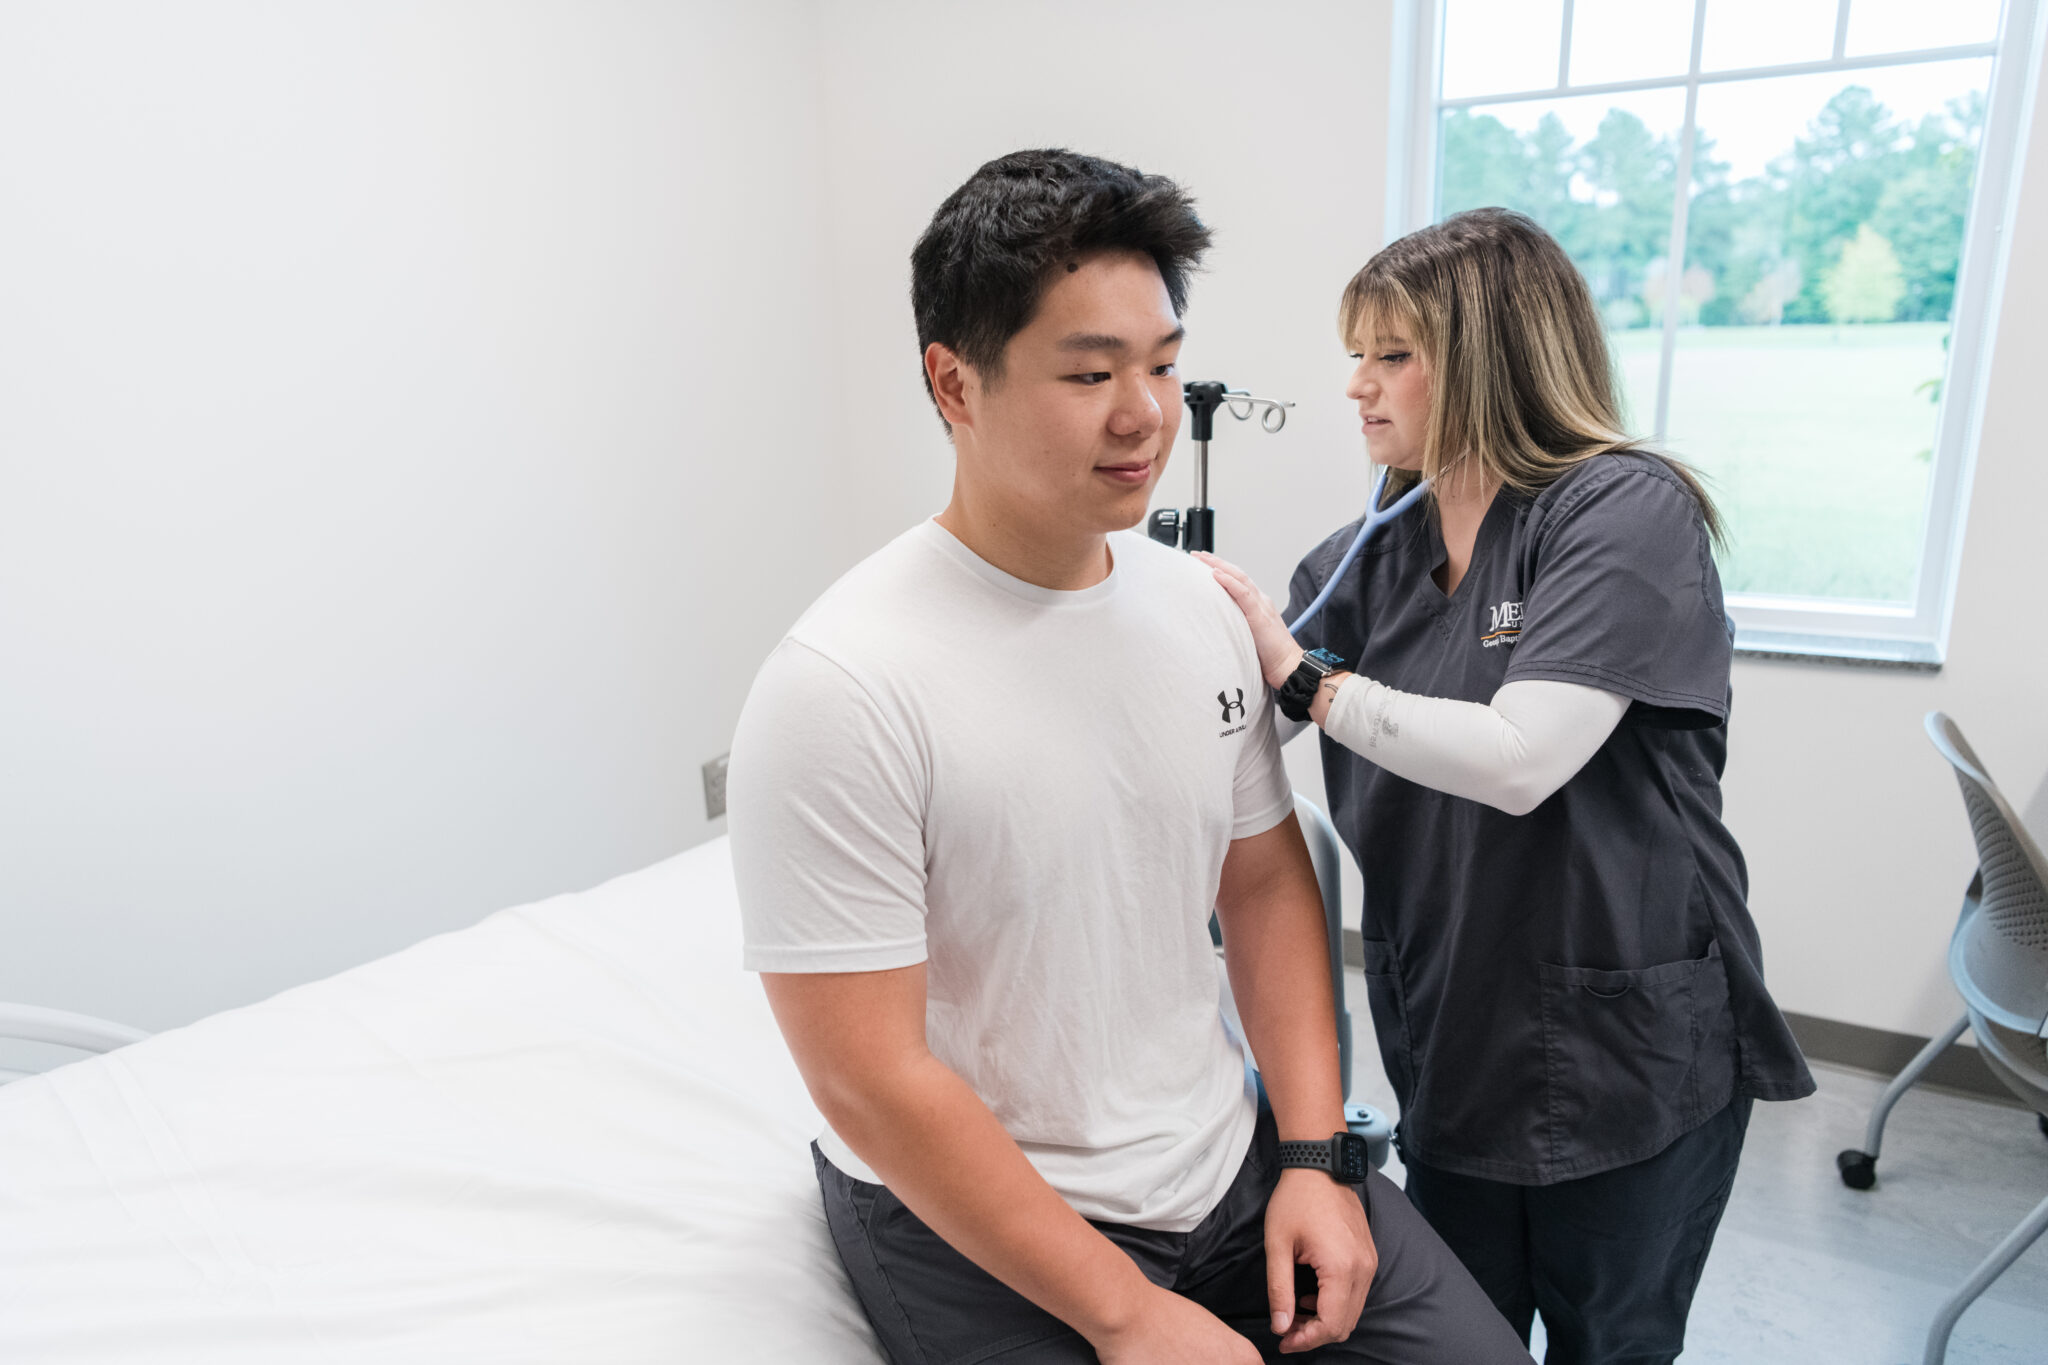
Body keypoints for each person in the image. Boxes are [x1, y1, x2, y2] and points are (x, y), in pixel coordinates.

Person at [726, 151, 1530, 1365]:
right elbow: (870, 1079)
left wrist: (1313, 1157)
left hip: (1222, 1159)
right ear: (953, 382)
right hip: (982, 1219)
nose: (1144, 412)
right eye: (1090, 372)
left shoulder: (1199, 609)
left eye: (1160, 363)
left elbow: (1258, 882)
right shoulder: (841, 686)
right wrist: (1122, 1313)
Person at [1198, 207, 1816, 1364]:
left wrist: (1304, 681)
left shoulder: (1623, 512)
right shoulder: (1348, 565)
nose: (1356, 387)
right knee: (1456, 1343)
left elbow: (1520, 760)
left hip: (1626, 1053)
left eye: (1391, 356)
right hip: (1454, 1036)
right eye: (1354, 355)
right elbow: (1219, 761)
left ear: (1484, 359)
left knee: (1608, 1345)